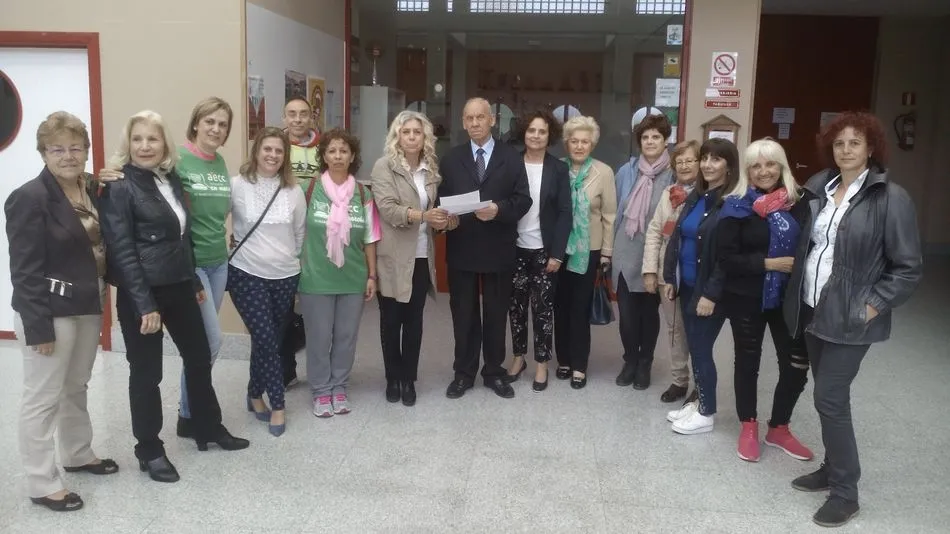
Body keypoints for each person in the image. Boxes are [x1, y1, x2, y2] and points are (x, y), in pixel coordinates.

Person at [784, 112, 922, 528]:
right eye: (839, 143)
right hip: (813, 306)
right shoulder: (818, 187)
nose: (846, 150)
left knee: (829, 397)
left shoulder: (890, 198)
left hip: (853, 315)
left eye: (855, 143)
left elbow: (908, 267)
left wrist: (873, 305)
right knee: (828, 395)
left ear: (870, 148)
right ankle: (831, 468)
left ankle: (846, 493)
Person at [100, 110, 248, 484]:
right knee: (147, 373)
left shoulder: (170, 179)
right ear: (128, 144)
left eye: (152, 138)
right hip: (142, 294)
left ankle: (206, 425)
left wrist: (193, 279)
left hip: (180, 284)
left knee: (199, 356)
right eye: (137, 139)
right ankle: (149, 449)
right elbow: (122, 251)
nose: (144, 146)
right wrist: (144, 304)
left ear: (164, 143)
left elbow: (182, 237)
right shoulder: (119, 187)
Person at [6, 112, 117, 512]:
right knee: (43, 397)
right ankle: (41, 482)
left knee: (76, 385)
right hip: (50, 313)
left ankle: (77, 453)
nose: (68, 156)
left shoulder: (91, 189)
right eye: (57, 149)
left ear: (86, 150)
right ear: (43, 153)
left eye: (75, 148)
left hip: (87, 305)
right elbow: (24, 271)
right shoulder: (29, 198)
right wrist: (38, 329)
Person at [717, 138, 812, 463]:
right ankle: (748, 426)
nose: (764, 171)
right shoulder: (736, 205)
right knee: (748, 361)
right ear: (747, 171)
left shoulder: (801, 203)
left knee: (796, 364)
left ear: (781, 166)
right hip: (746, 296)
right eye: (755, 166)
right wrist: (768, 264)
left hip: (790, 298)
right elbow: (726, 259)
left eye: (770, 164)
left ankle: (779, 427)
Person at [438, 97, 532, 400]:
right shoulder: (451, 159)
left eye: (480, 117)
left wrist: (499, 210)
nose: (475, 123)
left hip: (498, 248)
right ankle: (463, 373)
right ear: (463, 123)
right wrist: (445, 220)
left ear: (492, 120)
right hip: (462, 247)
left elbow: (523, 199)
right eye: (469, 118)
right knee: (463, 314)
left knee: (495, 314)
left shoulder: (511, 157)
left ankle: (493, 371)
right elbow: (441, 201)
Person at [228, 127, 306, 436]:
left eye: (279, 150)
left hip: (285, 276)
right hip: (246, 273)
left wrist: (291, 262)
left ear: (285, 156)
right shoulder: (237, 185)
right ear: (257, 151)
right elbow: (213, 217)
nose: (272, 155)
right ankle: (278, 404)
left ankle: (253, 393)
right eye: (267, 149)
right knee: (267, 340)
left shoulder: (294, 191)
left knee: (267, 340)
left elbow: (299, 234)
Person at [299, 128, 380, 417]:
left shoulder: (363, 193)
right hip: (315, 277)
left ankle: (339, 386)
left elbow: (370, 237)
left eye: (343, 151)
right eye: (331, 151)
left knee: (346, 337)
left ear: (352, 156)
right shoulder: (308, 190)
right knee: (319, 338)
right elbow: (295, 231)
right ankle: (321, 390)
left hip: (353, 277)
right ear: (323, 156)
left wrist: (372, 276)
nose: (337, 156)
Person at [662, 138, 740, 435]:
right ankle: (698, 403)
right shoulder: (697, 196)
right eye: (705, 158)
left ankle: (706, 412)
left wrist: (710, 294)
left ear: (729, 166)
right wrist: (671, 278)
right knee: (695, 348)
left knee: (702, 350)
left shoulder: (731, 203)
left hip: (708, 294)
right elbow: (677, 238)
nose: (707, 164)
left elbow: (726, 257)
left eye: (716, 159)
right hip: (687, 287)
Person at [371, 111, 447, 406]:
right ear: (397, 136)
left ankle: (408, 379)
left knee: (414, 322)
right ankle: (392, 378)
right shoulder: (384, 166)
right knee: (391, 322)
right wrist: (424, 216)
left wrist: (444, 221)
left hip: (421, 256)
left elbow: (435, 212)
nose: (412, 137)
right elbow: (388, 209)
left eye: (417, 132)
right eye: (406, 132)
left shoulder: (431, 169)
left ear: (425, 136)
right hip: (391, 257)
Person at [503, 109, 572, 392]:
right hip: (513, 248)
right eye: (531, 130)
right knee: (516, 308)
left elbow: (565, 212)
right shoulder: (511, 163)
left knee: (543, 310)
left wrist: (557, 254)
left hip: (545, 251)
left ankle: (542, 363)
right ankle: (519, 358)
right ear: (524, 132)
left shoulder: (558, 169)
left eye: (542, 131)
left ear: (549, 135)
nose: (536, 135)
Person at [612, 113, 675, 391]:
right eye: (645, 137)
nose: (650, 141)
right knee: (627, 315)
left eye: (656, 137)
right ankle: (630, 360)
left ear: (665, 141)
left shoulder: (673, 173)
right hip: (625, 250)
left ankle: (645, 362)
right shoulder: (626, 172)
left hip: (655, 255)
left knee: (648, 315)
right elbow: (614, 212)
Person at [554, 116, 617, 389]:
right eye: (574, 141)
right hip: (559, 249)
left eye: (585, 142)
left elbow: (610, 215)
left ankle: (579, 365)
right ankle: (563, 360)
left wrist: (606, 253)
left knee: (579, 308)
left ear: (592, 144)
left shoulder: (604, 172)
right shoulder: (556, 169)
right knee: (560, 306)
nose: (579, 146)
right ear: (566, 143)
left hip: (588, 250)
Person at [642, 140, 699, 403]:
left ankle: (700, 383)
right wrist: (650, 271)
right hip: (669, 273)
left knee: (697, 331)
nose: (684, 166)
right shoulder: (669, 193)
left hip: (696, 273)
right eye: (679, 161)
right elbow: (655, 231)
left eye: (690, 160)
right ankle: (679, 381)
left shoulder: (709, 195)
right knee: (675, 329)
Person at [281, 96, 322, 387]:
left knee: (316, 305)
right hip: (283, 235)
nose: (297, 119)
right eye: (292, 114)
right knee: (283, 306)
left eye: (303, 114)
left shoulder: (323, 147)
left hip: (317, 235)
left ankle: (320, 371)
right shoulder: (275, 145)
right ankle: (286, 369)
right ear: (284, 117)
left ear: (311, 117)